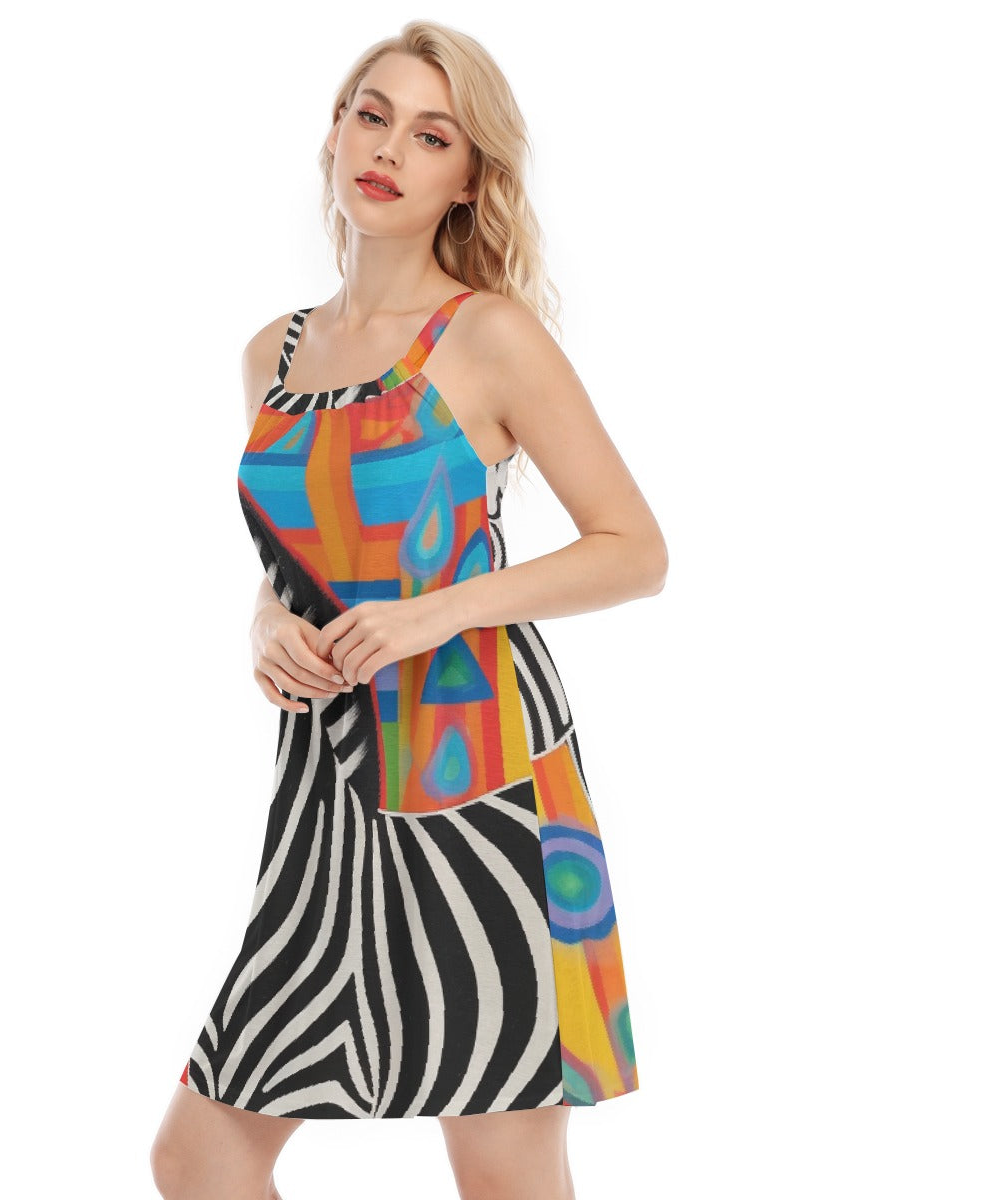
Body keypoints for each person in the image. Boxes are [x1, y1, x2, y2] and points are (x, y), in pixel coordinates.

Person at [151, 19, 668, 1200]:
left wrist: (441, 612)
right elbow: (300, 554)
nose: (389, 149)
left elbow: (635, 551)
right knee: (200, 1152)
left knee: (500, 1166)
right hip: (328, 791)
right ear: (334, 132)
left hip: (481, 776)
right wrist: (264, 624)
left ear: (468, 178)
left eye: (432, 136)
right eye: (372, 116)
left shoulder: (487, 336)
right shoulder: (273, 354)